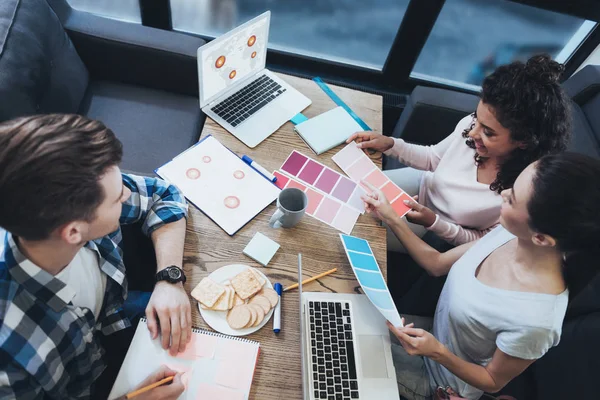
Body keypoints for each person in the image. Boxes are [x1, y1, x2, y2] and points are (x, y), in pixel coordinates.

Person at [360, 152, 600, 400]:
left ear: (540, 238)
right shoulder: (511, 234)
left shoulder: (537, 321)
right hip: (426, 334)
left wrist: (437, 351)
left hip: (436, 378)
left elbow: (493, 381)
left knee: (341, 351)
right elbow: (437, 263)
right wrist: (390, 216)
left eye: (513, 199)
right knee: (342, 316)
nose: (503, 193)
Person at [0, 114, 192, 399]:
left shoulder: (69, 200)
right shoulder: (11, 357)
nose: (128, 193)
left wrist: (168, 279)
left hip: (114, 320)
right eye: (117, 199)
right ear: (74, 232)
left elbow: (164, 194)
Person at [347, 54, 571, 250]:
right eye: (476, 118)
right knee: (346, 192)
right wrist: (391, 145)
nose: (472, 133)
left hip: (431, 232)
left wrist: (433, 222)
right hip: (422, 185)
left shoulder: (519, 193)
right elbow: (433, 158)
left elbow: (480, 241)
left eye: (488, 133)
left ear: (523, 141)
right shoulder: (471, 126)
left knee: (353, 226)